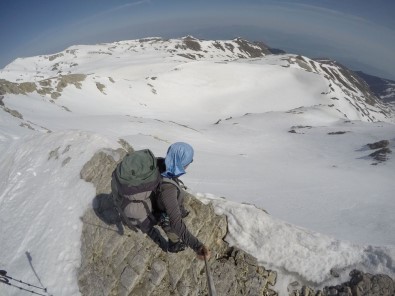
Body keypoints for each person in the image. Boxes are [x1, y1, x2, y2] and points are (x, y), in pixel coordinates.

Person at [153, 142, 210, 260]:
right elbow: (176, 224)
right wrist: (198, 246)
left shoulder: (160, 163)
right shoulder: (168, 189)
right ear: (182, 163)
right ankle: (174, 243)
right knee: (170, 219)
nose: (189, 164)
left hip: (154, 198)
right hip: (151, 208)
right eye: (189, 161)